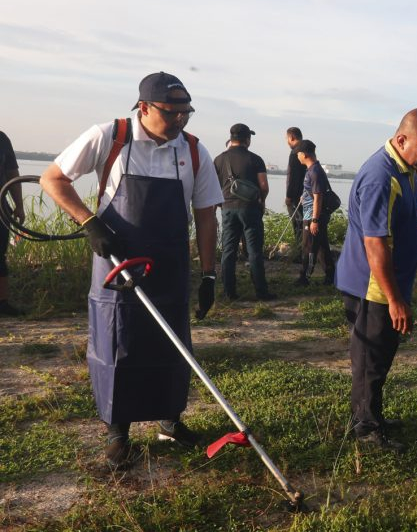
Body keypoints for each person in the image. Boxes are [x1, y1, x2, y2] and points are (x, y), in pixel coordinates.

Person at [39, 72, 221, 468]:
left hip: (169, 264)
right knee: (115, 344)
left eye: (185, 114)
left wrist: (209, 274)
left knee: (171, 344)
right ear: (144, 107)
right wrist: (90, 224)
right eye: (171, 113)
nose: (179, 121)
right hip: (115, 262)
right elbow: (52, 179)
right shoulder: (110, 136)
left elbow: (206, 215)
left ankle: (170, 420)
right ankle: (118, 433)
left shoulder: (192, 151)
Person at [334, 108, 417, 453]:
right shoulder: (381, 175)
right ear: (401, 139)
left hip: (390, 284)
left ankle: (371, 415)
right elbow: (375, 244)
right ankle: (366, 430)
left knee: (381, 356)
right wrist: (395, 300)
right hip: (373, 287)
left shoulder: (406, 168)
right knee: (370, 358)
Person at [214, 123, 273, 301]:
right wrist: (261, 201)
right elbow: (264, 186)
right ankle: (261, 292)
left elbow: (212, 188)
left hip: (228, 209)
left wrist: (221, 205)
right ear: (247, 139)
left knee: (228, 251)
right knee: (254, 251)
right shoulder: (255, 159)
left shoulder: (218, 159)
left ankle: (229, 292)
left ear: (231, 138)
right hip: (250, 209)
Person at [295, 141, 335, 286]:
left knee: (309, 247)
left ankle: (304, 277)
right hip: (311, 214)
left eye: (298, 154)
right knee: (322, 247)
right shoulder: (311, 170)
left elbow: (318, 197)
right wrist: (304, 195)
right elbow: (312, 192)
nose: (297, 156)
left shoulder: (315, 172)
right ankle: (331, 276)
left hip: (313, 216)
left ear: (303, 154)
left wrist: (315, 220)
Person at [0, 130, 25, 315]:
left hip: (0, 209)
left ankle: (2, 303)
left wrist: (19, 205)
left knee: (0, 255)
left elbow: (12, 174)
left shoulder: (1, 138)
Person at [284, 127, 307, 262]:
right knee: (304, 224)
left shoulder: (295, 153)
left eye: (287, 138)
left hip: (296, 197)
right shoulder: (307, 150)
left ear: (291, 137)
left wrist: (288, 196)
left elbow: (292, 178)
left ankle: (299, 254)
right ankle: (305, 252)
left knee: (298, 225)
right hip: (306, 195)